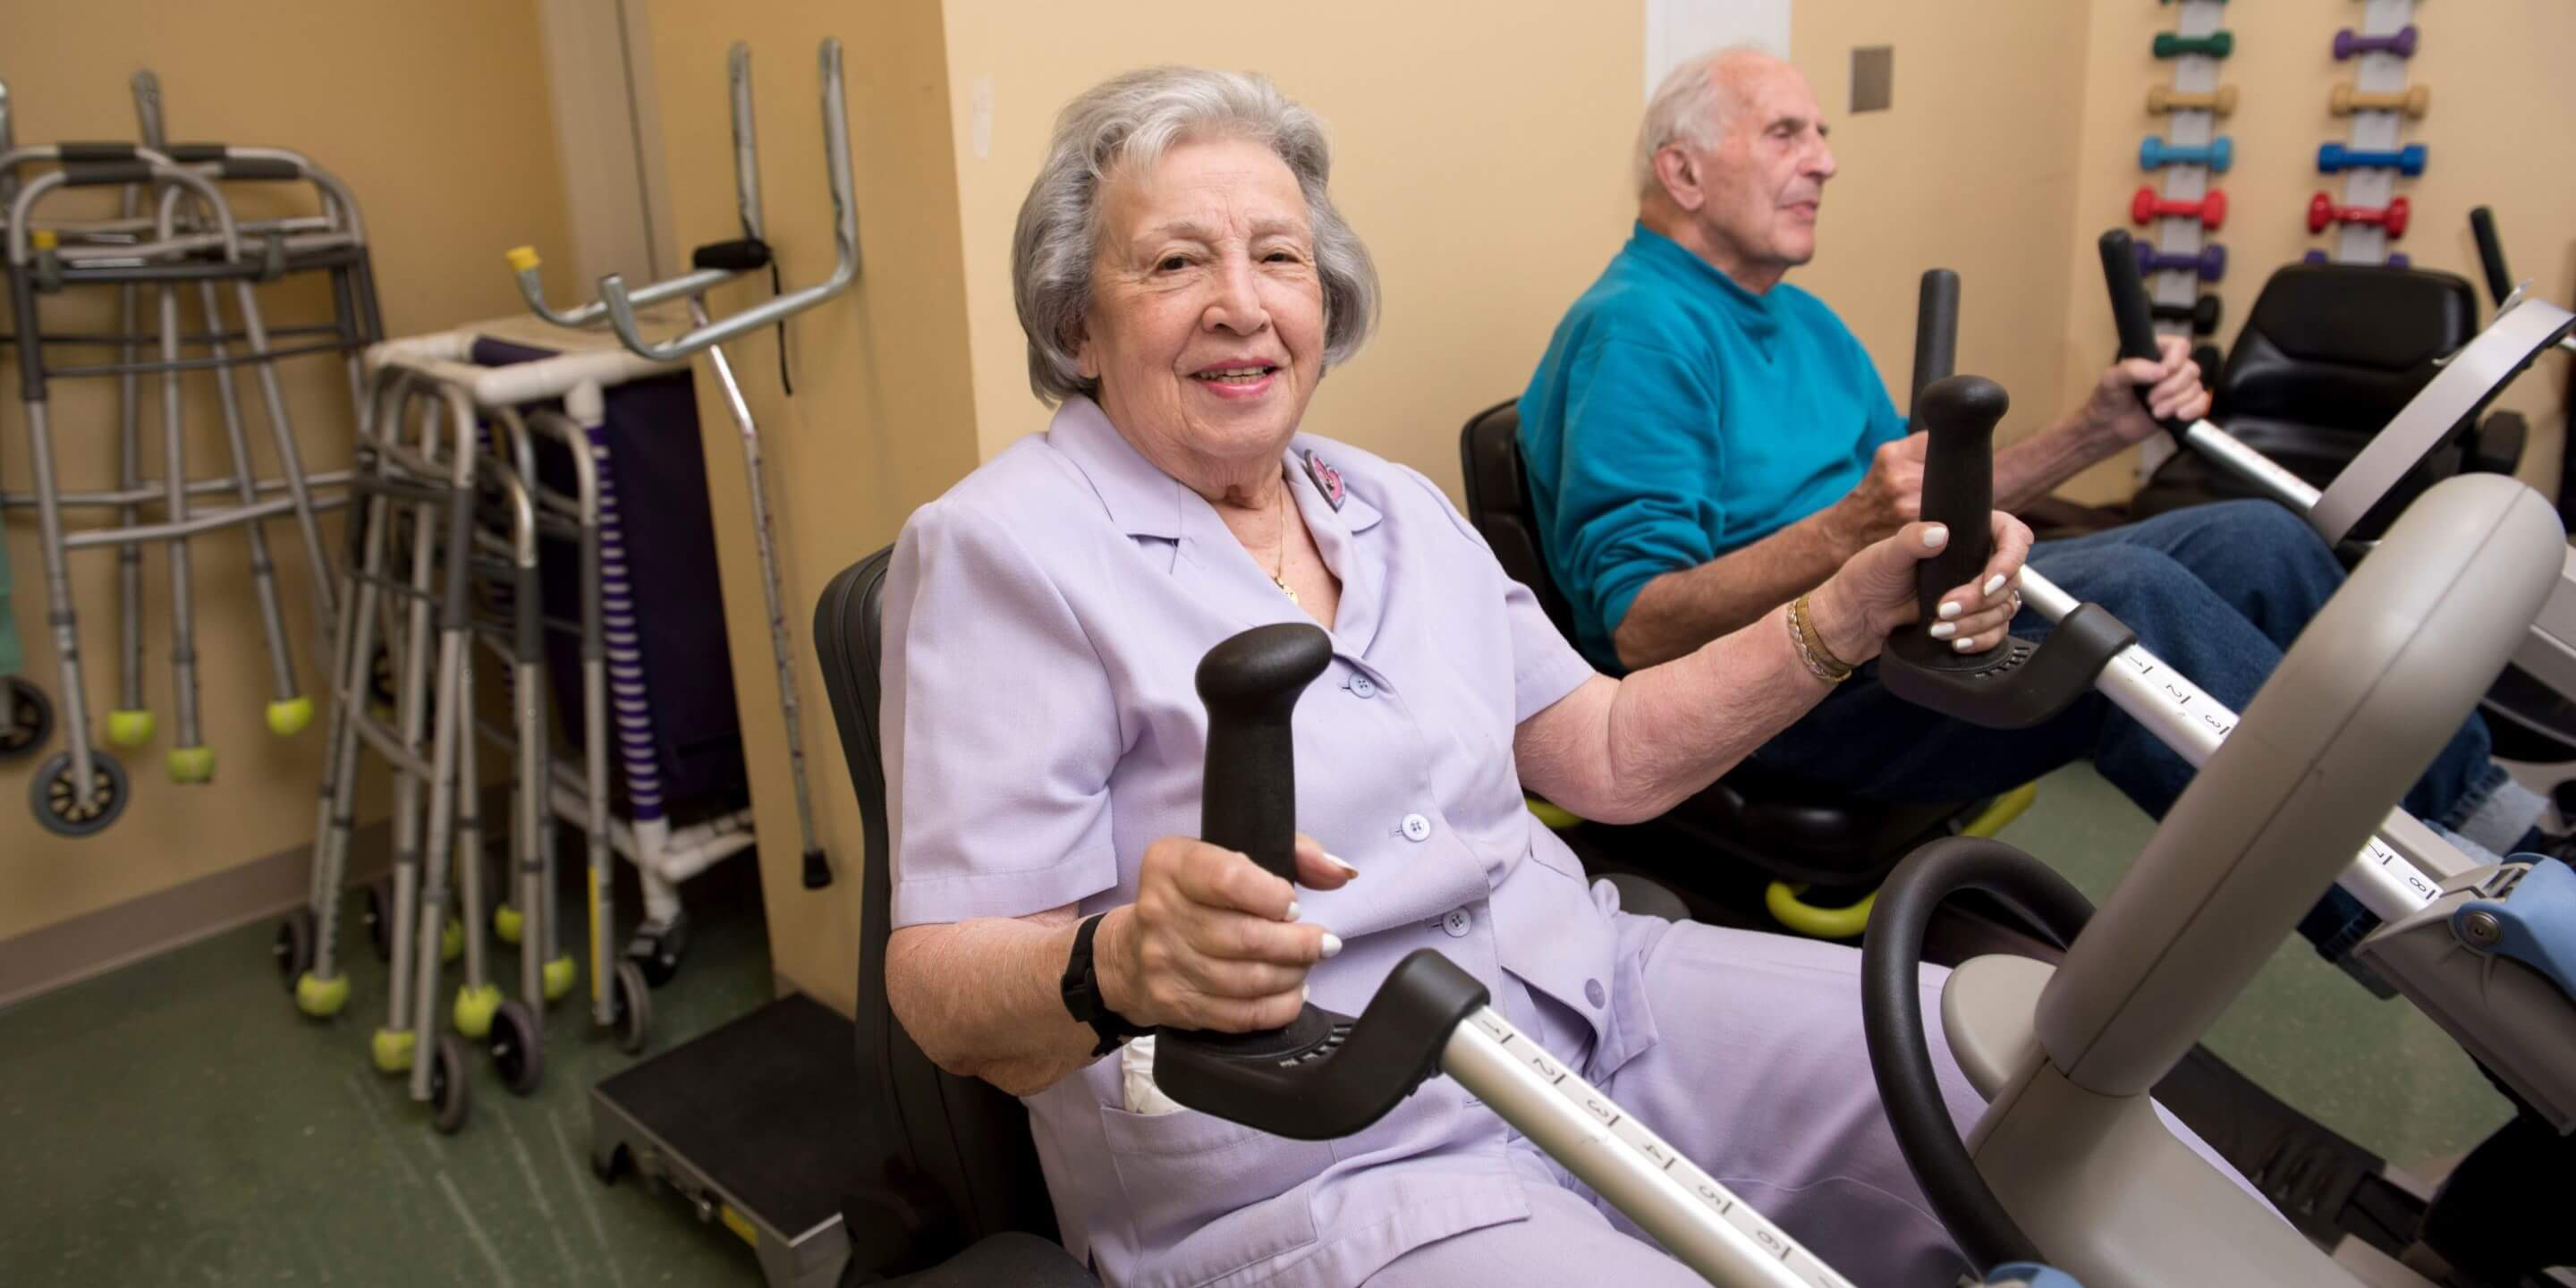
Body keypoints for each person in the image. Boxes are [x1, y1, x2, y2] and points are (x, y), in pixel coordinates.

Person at [874, 64, 2254, 1288]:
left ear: (1324, 297)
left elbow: (1605, 750)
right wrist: (1117, 960)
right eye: (1176, 263)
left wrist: (1846, 609)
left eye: (1278, 257)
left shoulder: (1386, 503)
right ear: (1077, 324)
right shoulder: (1003, 550)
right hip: (1323, 1151)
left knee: (2019, 1090)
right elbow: (940, 987)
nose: (1241, 305)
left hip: (1591, 999)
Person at [1517, 48, 2547, 959]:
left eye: (1822, 134)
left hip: (1890, 631)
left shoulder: (1801, 318)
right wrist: (1847, 531)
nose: (1825, 160)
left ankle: (2504, 832)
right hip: (1780, 689)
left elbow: (1925, 509)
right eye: (1786, 133)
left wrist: (2096, 431)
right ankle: (2431, 934)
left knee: (2257, 540)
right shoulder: (1639, 332)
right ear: (1684, 172)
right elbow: (1643, 629)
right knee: (2124, 604)